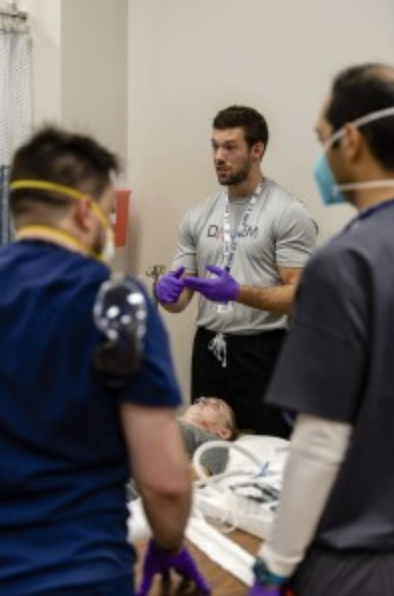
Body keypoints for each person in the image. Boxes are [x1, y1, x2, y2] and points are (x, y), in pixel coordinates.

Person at [1, 126, 210, 596]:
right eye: (109, 212)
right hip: (80, 573)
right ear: (84, 212)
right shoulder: (116, 302)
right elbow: (165, 482)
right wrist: (169, 544)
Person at [247, 63, 394, 596]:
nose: (321, 158)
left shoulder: (347, 262)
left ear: (349, 139)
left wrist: (275, 567)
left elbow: (321, 440)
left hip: (361, 560)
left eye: (321, 138)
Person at [154, 105, 317, 437]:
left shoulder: (287, 213)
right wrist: (165, 293)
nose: (218, 156)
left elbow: (301, 295)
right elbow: (180, 298)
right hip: (209, 348)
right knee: (201, 446)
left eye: (230, 147)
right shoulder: (197, 215)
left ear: (257, 151)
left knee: (269, 450)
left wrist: (238, 292)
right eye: (214, 145)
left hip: (264, 349)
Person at [179, 396, 238, 475]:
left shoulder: (215, 443)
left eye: (216, 406)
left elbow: (196, 474)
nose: (202, 401)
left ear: (223, 432)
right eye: (199, 401)